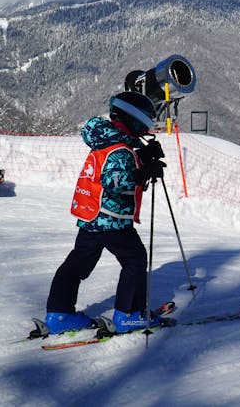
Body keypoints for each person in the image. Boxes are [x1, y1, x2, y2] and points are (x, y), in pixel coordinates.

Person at [42, 91, 168, 335]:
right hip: (112, 219)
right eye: (145, 122)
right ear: (135, 119)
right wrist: (143, 174)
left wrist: (142, 157)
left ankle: (60, 313)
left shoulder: (105, 140)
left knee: (78, 263)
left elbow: (115, 161)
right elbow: (116, 181)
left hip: (91, 216)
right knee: (135, 259)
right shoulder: (120, 148)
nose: (146, 128)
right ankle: (128, 315)